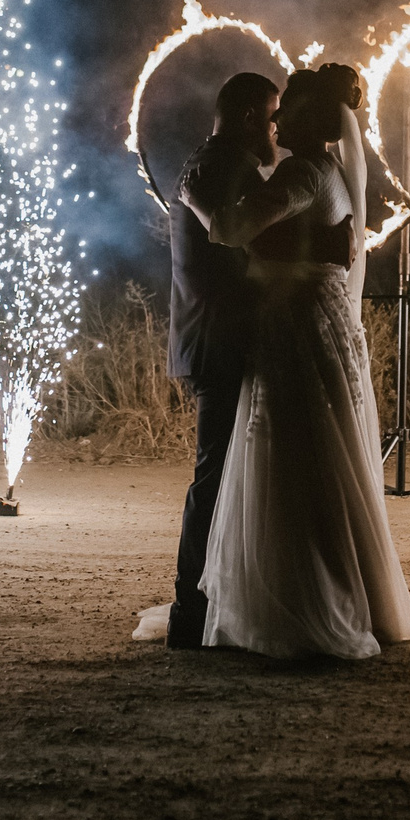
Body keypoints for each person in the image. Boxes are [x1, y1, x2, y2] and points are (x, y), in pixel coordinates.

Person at [191, 63, 410, 659]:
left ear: (310, 117)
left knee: (292, 459)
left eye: (285, 108)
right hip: (326, 322)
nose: (276, 119)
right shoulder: (337, 172)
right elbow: (312, 243)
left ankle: (302, 603)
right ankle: (350, 592)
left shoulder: (305, 170)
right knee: (328, 454)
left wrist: (197, 201)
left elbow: (232, 227)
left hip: (296, 328)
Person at [158, 71, 279, 649]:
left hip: (205, 335)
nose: (277, 131)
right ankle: (190, 608)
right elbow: (239, 266)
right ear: (252, 115)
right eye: (273, 116)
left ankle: (206, 601)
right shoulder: (228, 170)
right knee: (214, 474)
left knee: (221, 472)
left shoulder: (203, 162)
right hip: (222, 337)